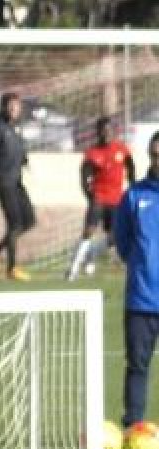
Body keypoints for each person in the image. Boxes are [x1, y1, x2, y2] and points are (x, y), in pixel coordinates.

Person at [113, 130, 159, 429]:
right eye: (156, 155)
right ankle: (133, 428)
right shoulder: (133, 196)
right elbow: (123, 242)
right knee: (137, 367)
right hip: (142, 299)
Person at [67, 116, 135, 280]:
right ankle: (73, 269)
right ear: (97, 132)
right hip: (99, 198)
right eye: (102, 130)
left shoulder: (122, 150)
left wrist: (133, 187)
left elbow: (131, 167)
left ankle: (90, 254)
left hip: (117, 200)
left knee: (114, 238)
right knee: (88, 231)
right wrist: (89, 195)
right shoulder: (92, 153)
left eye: (108, 130)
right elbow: (84, 176)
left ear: (113, 131)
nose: (106, 133)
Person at [0, 92, 36, 282]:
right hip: (2, 181)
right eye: (10, 106)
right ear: (3, 107)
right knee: (15, 224)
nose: (14, 109)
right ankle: (11, 268)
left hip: (17, 181)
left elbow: (19, 147)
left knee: (29, 221)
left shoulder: (16, 127)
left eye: (16, 106)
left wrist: (25, 161)